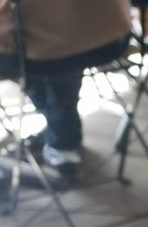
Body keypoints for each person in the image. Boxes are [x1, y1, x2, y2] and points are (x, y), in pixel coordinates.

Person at [0, 0, 131, 180]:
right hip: (110, 36)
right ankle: (62, 134)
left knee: (46, 50)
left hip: (40, 50)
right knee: (63, 40)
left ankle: (62, 136)